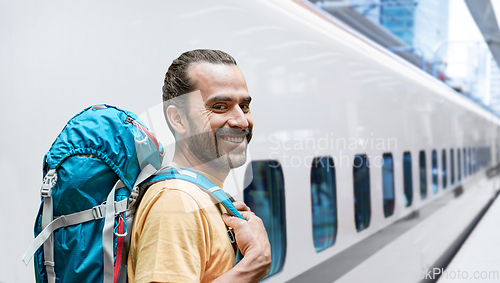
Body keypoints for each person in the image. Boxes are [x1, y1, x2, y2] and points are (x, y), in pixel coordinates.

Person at [127, 49, 272, 283]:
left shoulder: (201, 195)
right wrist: (254, 264)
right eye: (220, 106)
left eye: (244, 106)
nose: (242, 121)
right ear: (178, 119)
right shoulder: (176, 201)